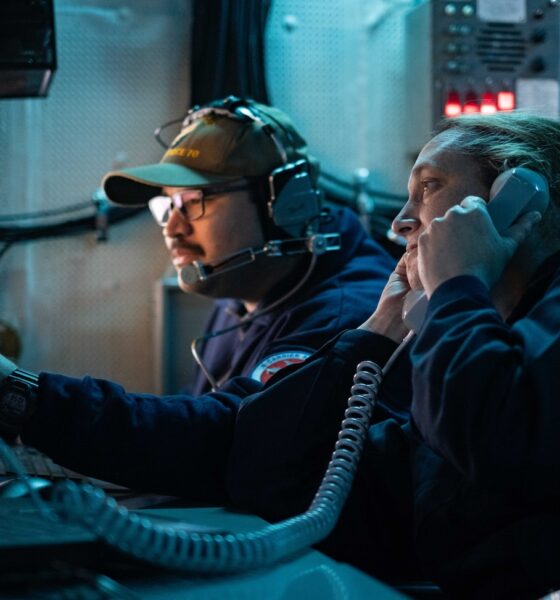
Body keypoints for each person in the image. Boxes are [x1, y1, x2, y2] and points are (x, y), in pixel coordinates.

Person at [226, 111, 560, 598]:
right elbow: (270, 469)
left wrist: (457, 283)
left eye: (429, 186)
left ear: (515, 198)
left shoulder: (499, 339)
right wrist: (379, 330)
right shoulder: (484, 339)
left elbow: (491, 440)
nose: (401, 221)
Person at [0, 97, 394, 500]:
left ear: (284, 204)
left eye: (193, 202)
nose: (171, 226)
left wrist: (24, 399)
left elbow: (228, 439)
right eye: (166, 204)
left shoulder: (350, 317)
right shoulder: (242, 287)